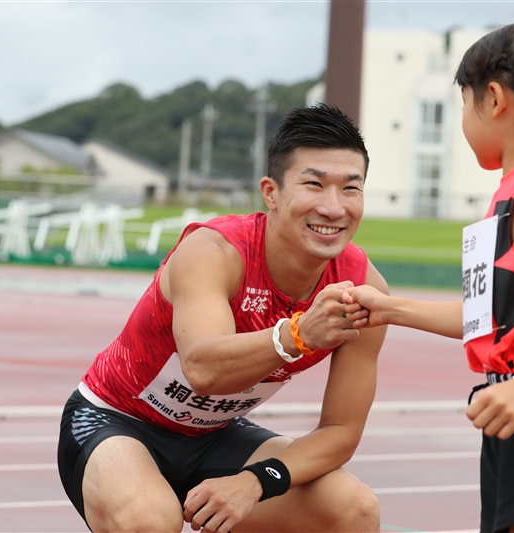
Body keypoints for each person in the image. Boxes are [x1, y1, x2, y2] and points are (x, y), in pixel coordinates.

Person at [343, 18, 514, 533]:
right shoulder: (512, 193)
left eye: (463, 104)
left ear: (493, 98)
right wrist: (387, 309)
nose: (464, 121)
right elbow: (488, 318)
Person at [57, 104, 389, 533]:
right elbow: (203, 369)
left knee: (352, 508)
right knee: (150, 520)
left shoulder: (362, 289)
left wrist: (255, 481)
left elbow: (341, 431)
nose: (333, 207)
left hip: (213, 436)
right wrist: (298, 334)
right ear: (271, 192)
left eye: (351, 189)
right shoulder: (214, 252)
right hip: (116, 422)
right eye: (313, 184)